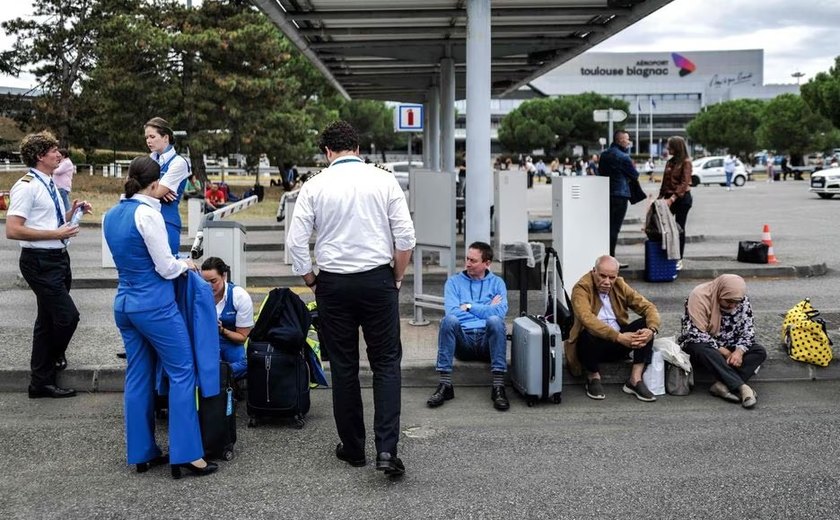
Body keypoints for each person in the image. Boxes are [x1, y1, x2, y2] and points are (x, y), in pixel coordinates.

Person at [287, 120, 416, 477]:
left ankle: (354, 448)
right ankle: (387, 450)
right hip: (377, 280)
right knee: (386, 363)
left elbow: (296, 243)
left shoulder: (314, 186)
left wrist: (312, 279)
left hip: (333, 284)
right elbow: (405, 238)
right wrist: (397, 275)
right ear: (358, 148)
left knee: (343, 367)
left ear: (327, 152)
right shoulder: (384, 179)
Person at [103, 156, 217, 478]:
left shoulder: (111, 214)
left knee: (138, 376)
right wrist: (187, 265)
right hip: (154, 306)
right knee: (183, 372)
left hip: (124, 303)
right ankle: (187, 454)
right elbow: (165, 267)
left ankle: (141, 451)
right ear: (155, 184)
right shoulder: (147, 214)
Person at [6, 132, 92, 398]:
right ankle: (51, 361)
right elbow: (13, 229)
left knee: (46, 321)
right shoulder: (27, 185)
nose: (59, 154)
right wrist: (55, 235)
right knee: (67, 317)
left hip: (57, 259)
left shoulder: (49, 182)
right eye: (54, 151)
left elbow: (46, 220)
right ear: (40, 156)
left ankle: (40, 383)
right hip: (39, 261)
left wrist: (72, 212)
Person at [427, 241, 510, 411]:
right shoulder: (453, 282)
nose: (467, 263)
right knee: (448, 321)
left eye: (473, 261)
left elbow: (500, 313)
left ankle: (498, 387)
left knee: (495, 321)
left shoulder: (497, 283)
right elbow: (452, 311)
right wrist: (488, 307)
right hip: (463, 341)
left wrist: (470, 306)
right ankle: (445, 385)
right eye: (467, 259)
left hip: (487, 342)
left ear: (487, 263)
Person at [567, 255, 661, 402]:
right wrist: (619, 337)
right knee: (586, 333)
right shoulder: (581, 288)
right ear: (594, 272)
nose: (607, 281)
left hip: (618, 344)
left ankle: (635, 379)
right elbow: (587, 319)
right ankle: (593, 377)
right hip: (592, 347)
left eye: (611, 277)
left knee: (645, 327)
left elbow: (648, 307)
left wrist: (652, 329)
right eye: (602, 276)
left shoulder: (619, 284)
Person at [679, 274, 766, 409]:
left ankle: (721, 385)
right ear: (719, 293)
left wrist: (739, 352)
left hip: (730, 344)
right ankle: (742, 387)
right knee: (701, 348)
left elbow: (748, 331)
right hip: (704, 345)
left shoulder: (741, 300)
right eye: (728, 301)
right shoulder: (699, 296)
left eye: (736, 302)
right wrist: (725, 352)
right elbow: (694, 333)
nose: (732, 306)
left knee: (759, 351)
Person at [200, 256, 254, 380]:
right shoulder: (197, 295)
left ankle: (216, 375)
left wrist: (222, 330)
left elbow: (242, 338)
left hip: (231, 342)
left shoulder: (239, 296)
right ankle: (224, 376)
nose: (209, 286)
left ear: (224, 276)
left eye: (213, 281)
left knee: (249, 363)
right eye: (205, 282)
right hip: (206, 343)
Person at [145, 117, 190, 256]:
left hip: (167, 222)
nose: (148, 141)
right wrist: (156, 190)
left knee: (167, 270)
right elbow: (129, 186)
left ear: (166, 137)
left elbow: (157, 192)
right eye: (146, 137)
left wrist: (145, 188)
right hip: (146, 221)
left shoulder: (178, 162)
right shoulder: (149, 159)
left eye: (152, 136)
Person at [598, 130, 639, 264]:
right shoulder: (623, 157)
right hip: (620, 195)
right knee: (614, 228)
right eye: (627, 139)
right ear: (621, 141)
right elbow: (635, 175)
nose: (629, 142)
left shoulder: (604, 155)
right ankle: (611, 260)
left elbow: (601, 172)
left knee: (606, 227)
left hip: (605, 194)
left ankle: (603, 258)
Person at [657, 136, 693, 271]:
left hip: (681, 199)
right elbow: (664, 182)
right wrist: (660, 198)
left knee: (679, 228)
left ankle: (679, 258)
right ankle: (666, 255)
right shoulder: (670, 162)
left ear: (676, 147)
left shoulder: (686, 162)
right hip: (667, 198)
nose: (667, 148)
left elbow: (684, 183)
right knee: (663, 227)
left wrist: (672, 198)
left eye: (670, 146)